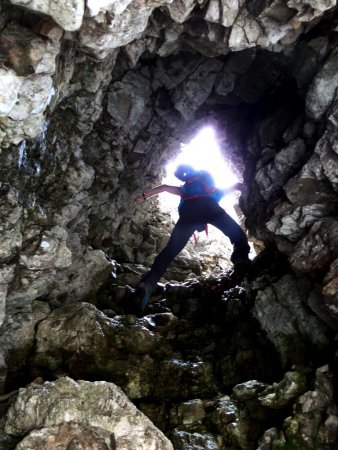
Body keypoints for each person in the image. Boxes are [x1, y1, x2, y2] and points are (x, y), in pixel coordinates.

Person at [131, 164, 250, 316]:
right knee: (238, 236)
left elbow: (165, 187)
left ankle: (147, 285)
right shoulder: (213, 191)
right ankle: (241, 261)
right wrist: (245, 187)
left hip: (189, 211)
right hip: (210, 207)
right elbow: (235, 186)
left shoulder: (185, 190)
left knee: (170, 250)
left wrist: (143, 196)